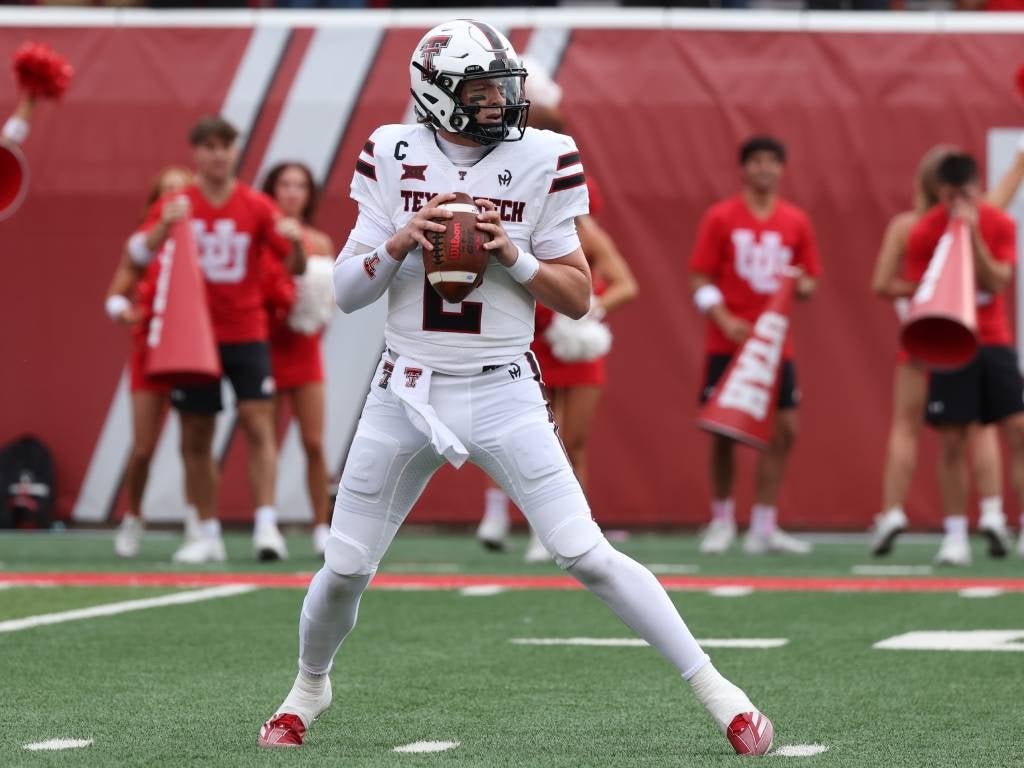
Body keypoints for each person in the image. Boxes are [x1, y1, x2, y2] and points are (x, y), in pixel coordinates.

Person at [257, 20, 774, 757]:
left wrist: (515, 259)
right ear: (436, 95)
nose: (499, 104)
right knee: (343, 569)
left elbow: (578, 296)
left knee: (586, 552)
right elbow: (344, 291)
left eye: (503, 88)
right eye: (480, 90)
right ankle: (309, 687)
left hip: (503, 386)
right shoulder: (392, 151)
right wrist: (402, 238)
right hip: (406, 388)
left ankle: (725, 698)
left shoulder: (546, 156)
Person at [475, 59, 639, 561]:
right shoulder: (498, 193)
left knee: (573, 439)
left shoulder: (575, 215)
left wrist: (588, 311)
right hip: (529, 336)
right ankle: (503, 517)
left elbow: (619, 279)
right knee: (523, 435)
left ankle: (568, 527)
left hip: (570, 338)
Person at [131, 116, 306, 563]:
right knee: (195, 433)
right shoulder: (177, 203)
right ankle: (207, 532)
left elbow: (297, 267)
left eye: (224, 146)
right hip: (193, 336)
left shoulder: (255, 204)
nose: (217, 155)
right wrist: (160, 227)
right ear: (196, 153)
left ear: (234, 152)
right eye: (208, 147)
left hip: (246, 330)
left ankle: (267, 526)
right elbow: (136, 256)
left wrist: (297, 242)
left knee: (258, 422)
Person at [869, 141, 1024, 556]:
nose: (959, 203)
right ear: (939, 191)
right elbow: (908, 288)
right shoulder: (917, 228)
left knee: (1006, 427)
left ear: (975, 189)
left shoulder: (993, 219)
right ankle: (941, 528)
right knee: (951, 435)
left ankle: (995, 514)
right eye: (950, 195)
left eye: (966, 194)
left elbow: (997, 280)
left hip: (990, 339)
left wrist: (971, 235)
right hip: (941, 343)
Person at [689, 136, 821, 555]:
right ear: (743, 168)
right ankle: (722, 519)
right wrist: (725, 320)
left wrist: (799, 283)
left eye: (772, 162)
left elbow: (811, 281)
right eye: (757, 161)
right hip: (728, 344)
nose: (764, 169)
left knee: (785, 430)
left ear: (783, 169)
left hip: (774, 346)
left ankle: (764, 524)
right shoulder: (721, 217)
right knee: (724, 432)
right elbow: (698, 279)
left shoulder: (796, 220)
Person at [109, 166, 204, 557]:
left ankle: (198, 522)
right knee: (144, 446)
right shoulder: (143, 243)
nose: (174, 199)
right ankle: (133, 516)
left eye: (181, 191)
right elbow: (115, 293)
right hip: (149, 350)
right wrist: (124, 311)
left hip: (189, 349)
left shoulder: (203, 240)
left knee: (192, 444)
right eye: (166, 192)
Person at [261, 162, 336, 556]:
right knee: (266, 440)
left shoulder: (321, 241)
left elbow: (328, 299)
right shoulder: (262, 233)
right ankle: (267, 524)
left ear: (310, 194)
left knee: (313, 441)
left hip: (305, 350)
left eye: (300, 185)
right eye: (285, 184)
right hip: (268, 345)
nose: (292, 192)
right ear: (272, 189)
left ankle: (322, 526)